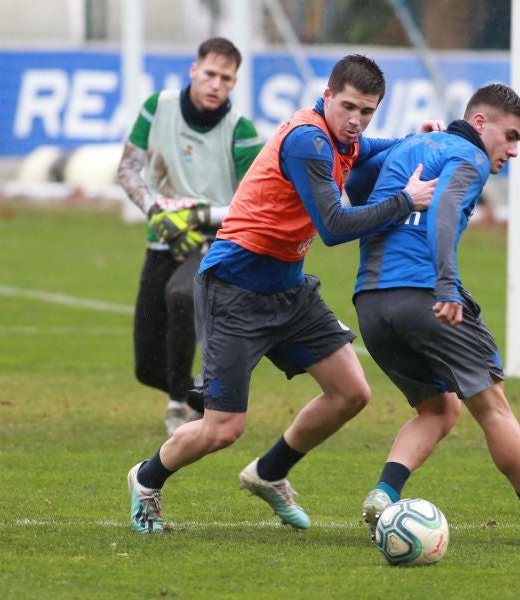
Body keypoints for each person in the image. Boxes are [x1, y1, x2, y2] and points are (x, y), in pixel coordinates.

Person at [126, 53, 441, 534]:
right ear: (328, 96)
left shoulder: (343, 136)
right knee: (223, 429)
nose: (357, 121)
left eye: (368, 112)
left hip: (289, 289)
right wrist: (405, 202)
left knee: (351, 392)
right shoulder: (307, 141)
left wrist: (419, 139)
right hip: (235, 289)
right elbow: (333, 227)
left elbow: (379, 147)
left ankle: (269, 473)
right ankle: (146, 480)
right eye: (350, 107)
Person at [348, 83, 520, 543]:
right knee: (494, 408)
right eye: (510, 136)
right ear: (480, 122)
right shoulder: (467, 157)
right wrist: (446, 285)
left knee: (438, 409)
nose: (511, 150)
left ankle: (385, 493)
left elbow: (355, 185)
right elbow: (444, 210)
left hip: (370, 303)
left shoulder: (411, 145)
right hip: (426, 296)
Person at [117, 37, 263, 436]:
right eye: (210, 74)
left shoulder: (242, 131)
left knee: (182, 295)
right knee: (147, 366)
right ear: (193, 70)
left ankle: (179, 406)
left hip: (215, 242)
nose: (216, 84)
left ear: (234, 83)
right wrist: (155, 213)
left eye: (226, 78)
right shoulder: (157, 107)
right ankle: (208, 394)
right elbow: (128, 169)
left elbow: (258, 200)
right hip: (162, 239)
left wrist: (198, 217)